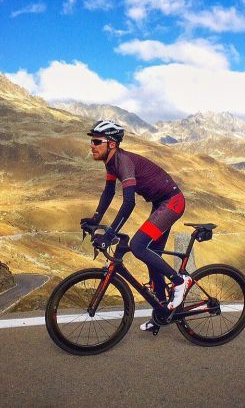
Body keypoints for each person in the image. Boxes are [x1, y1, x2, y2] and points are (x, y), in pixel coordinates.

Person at [80, 119, 192, 331]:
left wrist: (111, 232)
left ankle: (179, 282)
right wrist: (95, 220)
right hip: (161, 203)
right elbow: (109, 192)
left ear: (111, 144)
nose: (91, 146)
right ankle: (162, 311)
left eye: (96, 142)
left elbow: (129, 202)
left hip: (172, 202)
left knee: (139, 246)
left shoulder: (123, 162)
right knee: (153, 258)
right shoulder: (111, 162)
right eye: (92, 142)